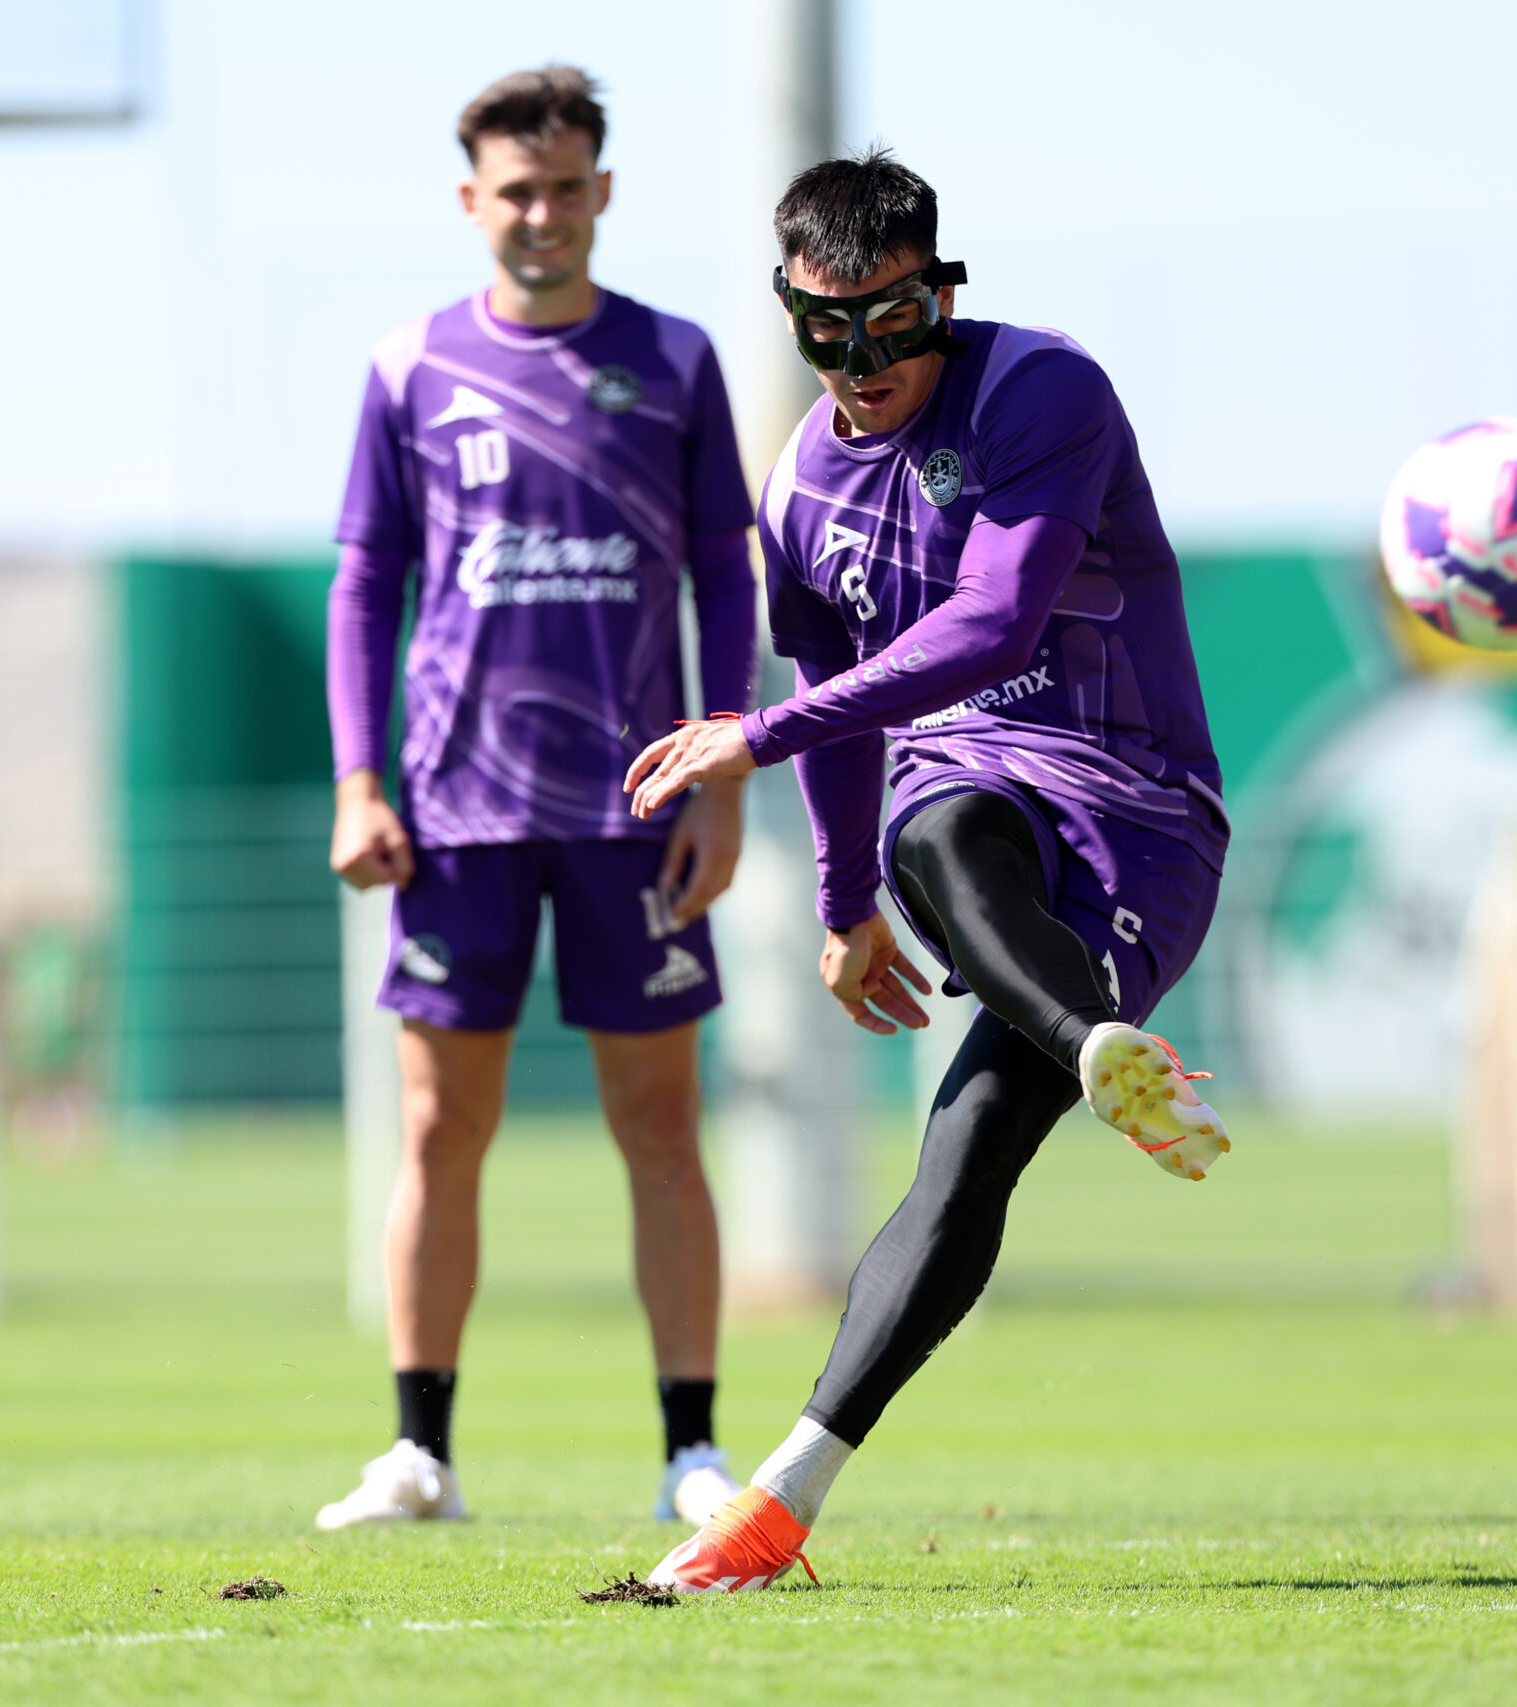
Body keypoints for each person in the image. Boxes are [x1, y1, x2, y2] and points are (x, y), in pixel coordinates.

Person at [623, 148, 1230, 1593]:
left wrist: (751, 738)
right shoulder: (803, 490)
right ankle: (775, 1506)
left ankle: (1085, 1047)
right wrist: (840, 911)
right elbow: (852, 707)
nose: (862, 358)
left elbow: (994, 628)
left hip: (1140, 810)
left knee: (969, 1147)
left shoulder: (1041, 393)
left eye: (890, 322)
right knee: (933, 826)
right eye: (827, 330)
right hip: (974, 801)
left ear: (937, 295)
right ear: (795, 316)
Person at [317, 65, 756, 1531]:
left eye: (569, 187)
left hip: (635, 807)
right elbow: (366, 582)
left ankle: (691, 1451)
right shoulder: (409, 369)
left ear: (604, 194)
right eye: (518, 190)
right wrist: (359, 781)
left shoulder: (678, 362)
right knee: (441, 1127)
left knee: (660, 1122)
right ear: (471, 201)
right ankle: (418, 1452)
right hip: (457, 811)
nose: (544, 214)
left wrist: (725, 774)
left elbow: (723, 576)